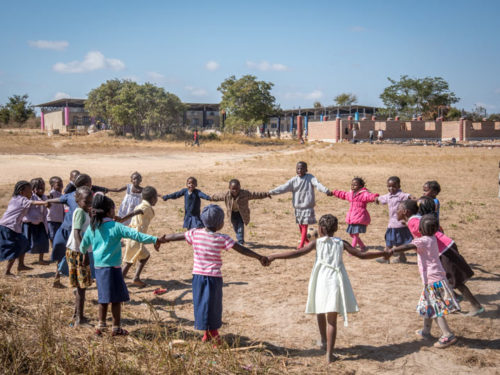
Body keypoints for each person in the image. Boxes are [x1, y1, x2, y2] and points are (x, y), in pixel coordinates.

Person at [267, 214, 389, 363]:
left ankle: (324, 341)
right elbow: (361, 255)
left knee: (320, 310)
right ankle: (329, 354)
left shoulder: (316, 243)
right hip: (336, 281)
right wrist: (383, 253)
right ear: (336, 229)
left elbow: (297, 253)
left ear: (319, 228)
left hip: (320, 279)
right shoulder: (341, 243)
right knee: (332, 320)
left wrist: (274, 256)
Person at [163, 204, 269, 344]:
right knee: (213, 306)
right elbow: (241, 249)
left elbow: (177, 235)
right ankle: (214, 335)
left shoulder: (195, 233)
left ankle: (207, 333)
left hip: (197, 277)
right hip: (213, 278)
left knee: (201, 304)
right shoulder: (223, 238)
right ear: (220, 224)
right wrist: (259, 257)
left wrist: (162, 239)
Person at [80, 194, 166, 336]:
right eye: (114, 209)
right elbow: (137, 235)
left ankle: (100, 326)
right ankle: (116, 328)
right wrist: (155, 239)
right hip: (113, 269)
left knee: (103, 298)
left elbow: (83, 245)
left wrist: (84, 256)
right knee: (116, 300)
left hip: (99, 269)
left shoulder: (92, 227)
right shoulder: (116, 227)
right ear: (109, 212)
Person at [387, 214, 460, 348]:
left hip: (433, 279)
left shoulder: (423, 240)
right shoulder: (433, 238)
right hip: (435, 277)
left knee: (436, 309)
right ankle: (426, 331)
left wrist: (393, 250)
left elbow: (408, 246)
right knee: (429, 305)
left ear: (419, 229)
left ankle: (447, 334)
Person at [405, 197, 483, 315]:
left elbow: (423, 233)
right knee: (442, 277)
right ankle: (455, 297)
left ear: (406, 212)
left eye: (398, 209)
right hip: (444, 247)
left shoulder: (412, 221)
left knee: (455, 281)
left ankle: (476, 306)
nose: (396, 212)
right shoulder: (418, 219)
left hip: (444, 249)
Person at [269, 162, 332, 248]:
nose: (300, 170)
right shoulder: (293, 180)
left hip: (307, 207)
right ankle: (307, 243)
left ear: (306, 169)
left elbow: (318, 184)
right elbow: (283, 187)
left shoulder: (310, 178)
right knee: (300, 226)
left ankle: (301, 245)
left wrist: (326, 190)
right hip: (298, 208)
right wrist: (271, 192)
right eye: (298, 168)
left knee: (304, 226)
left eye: (302, 168)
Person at [0, 181, 48, 275]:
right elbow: (33, 202)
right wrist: (45, 202)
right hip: (8, 227)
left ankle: (20, 265)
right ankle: (7, 272)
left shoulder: (16, 198)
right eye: (29, 191)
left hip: (14, 227)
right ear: (22, 192)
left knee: (24, 244)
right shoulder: (21, 199)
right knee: (14, 248)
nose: (31, 193)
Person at [65, 186, 93, 327]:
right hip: (78, 252)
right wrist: (84, 253)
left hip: (78, 250)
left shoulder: (85, 211)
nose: (89, 204)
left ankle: (77, 315)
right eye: (85, 202)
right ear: (77, 200)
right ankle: (79, 320)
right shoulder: (80, 212)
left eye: (90, 202)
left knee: (81, 286)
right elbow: (76, 233)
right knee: (82, 286)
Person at [211, 179, 270, 244]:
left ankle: (240, 241)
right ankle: (239, 238)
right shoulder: (226, 195)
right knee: (235, 227)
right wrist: (209, 197)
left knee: (240, 227)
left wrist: (266, 194)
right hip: (232, 213)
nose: (235, 191)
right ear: (229, 188)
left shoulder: (245, 194)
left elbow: (255, 194)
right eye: (233, 189)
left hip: (241, 213)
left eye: (237, 188)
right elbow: (217, 196)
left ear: (240, 187)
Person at [122, 186, 160, 287]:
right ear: (152, 199)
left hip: (137, 237)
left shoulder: (143, 205)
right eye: (156, 197)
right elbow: (135, 212)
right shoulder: (144, 207)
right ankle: (118, 283)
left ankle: (136, 278)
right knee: (129, 261)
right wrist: (121, 219)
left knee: (145, 256)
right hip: (135, 237)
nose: (157, 200)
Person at [331, 177, 378, 252]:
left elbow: (369, 196)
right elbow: (343, 194)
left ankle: (352, 250)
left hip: (359, 217)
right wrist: (334, 192)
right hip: (352, 217)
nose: (352, 186)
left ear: (360, 186)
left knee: (355, 235)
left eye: (355, 185)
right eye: (352, 184)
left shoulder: (363, 194)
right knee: (351, 234)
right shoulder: (351, 194)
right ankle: (363, 247)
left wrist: (375, 198)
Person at [375, 176, 414, 264]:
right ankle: (402, 257)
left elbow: (408, 196)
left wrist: (413, 198)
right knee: (398, 242)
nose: (391, 188)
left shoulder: (401, 195)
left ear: (399, 186)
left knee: (390, 242)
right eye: (389, 186)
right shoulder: (389, 196)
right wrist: (377, 199)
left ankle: (386, 258)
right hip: (392, 223)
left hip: (399, 223)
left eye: (393, 186)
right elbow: (382, 198)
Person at [22, 178, 50, 265]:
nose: (41, 190)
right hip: (29, 224)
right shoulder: (30, 197)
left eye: (43, 188)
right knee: (25, 243)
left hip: (41, 223)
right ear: (33, 189)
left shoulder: (45, 197)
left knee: (43, 241)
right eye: (39, 188)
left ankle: (41, 260)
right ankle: (21, 263)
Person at [47, 176, 64, 254]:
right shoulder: (52, 193)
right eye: (58, 184)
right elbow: (49, 196)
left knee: (57, 236)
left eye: (61, 184)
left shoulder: (60, 194)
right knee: (53, 236)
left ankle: (56, 250)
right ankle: (54, 251)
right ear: (52, 185)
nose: (61, 186)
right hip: (52, 219)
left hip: (60, 219)